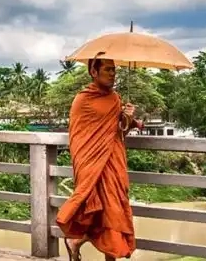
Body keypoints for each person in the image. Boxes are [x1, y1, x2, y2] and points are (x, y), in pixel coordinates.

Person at [56, 58, 141, 261]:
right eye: (108, 69)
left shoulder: (115, 99)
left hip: (112, 162)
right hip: (90, 162)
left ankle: (76, 243)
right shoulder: (83, 99)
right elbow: (78, 135)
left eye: (114, 70)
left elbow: (119, 131)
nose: (112, 74)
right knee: (96, 211)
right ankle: (75, 241)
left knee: (113, 210)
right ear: (94, 72)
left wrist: (128, 118)